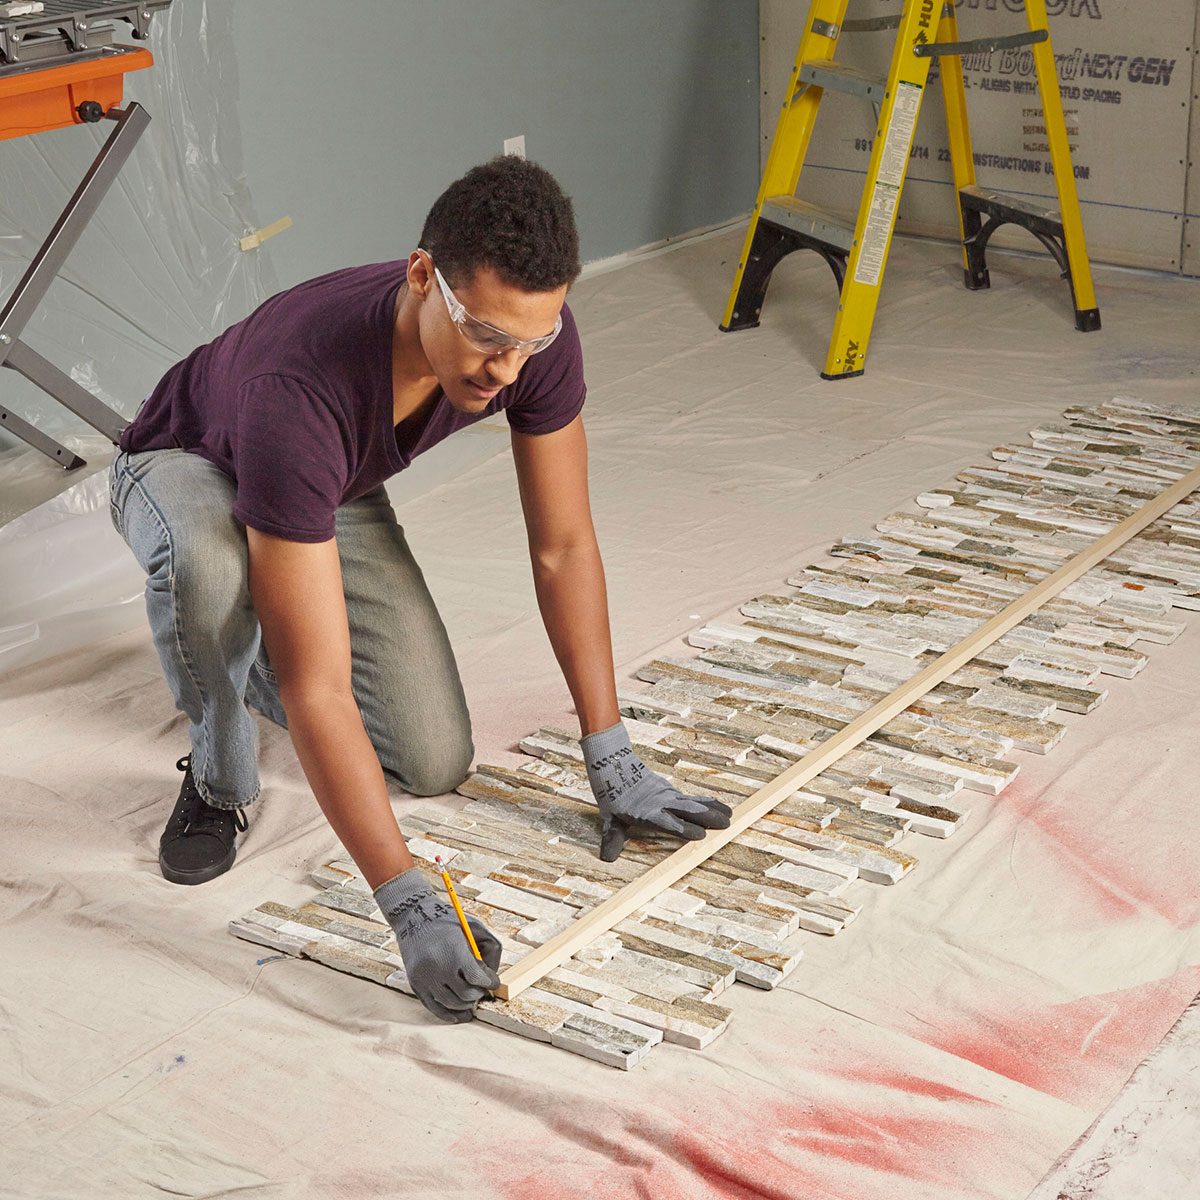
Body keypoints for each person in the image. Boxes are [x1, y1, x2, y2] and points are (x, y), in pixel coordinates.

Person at [108, 156, 732, 1022]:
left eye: (531, 340)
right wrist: (406, 899)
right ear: (420, 277)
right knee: (214, 571)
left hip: (326, 486)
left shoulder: (529, 334)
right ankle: (219, 774)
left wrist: (611, 751)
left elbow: (562, 546)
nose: (505, 368)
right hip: (185, 461)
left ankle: (253, 634)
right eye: (484, 335)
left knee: (433, 758)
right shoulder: (299, 391)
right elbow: (318, 687)